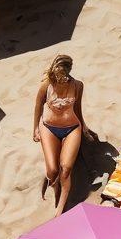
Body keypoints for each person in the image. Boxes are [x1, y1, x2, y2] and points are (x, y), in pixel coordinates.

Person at [33, 54, 94, 217]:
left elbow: (78, 109)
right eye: (59, 79)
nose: (62, 82)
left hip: (71, 127)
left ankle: (60, 209)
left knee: (66, 169)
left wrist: (84, 128)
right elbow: (38, 106)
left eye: (64, 78)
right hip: (48, 127)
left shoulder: (77, 86)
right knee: (52, 171)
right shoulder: (46, 85)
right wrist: (35, 129)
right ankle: (55, 185)